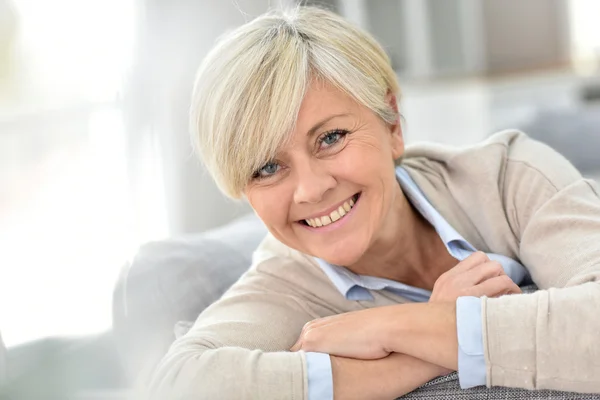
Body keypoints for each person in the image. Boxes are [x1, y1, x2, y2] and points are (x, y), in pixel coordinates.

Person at [144, 6, 600, 399]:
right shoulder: (283, 286)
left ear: (393, 125)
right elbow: (180, 386)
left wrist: (391, 328)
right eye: (267, 168)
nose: (311, 189)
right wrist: (422, 344)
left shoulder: (509, 176)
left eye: (331, 138)